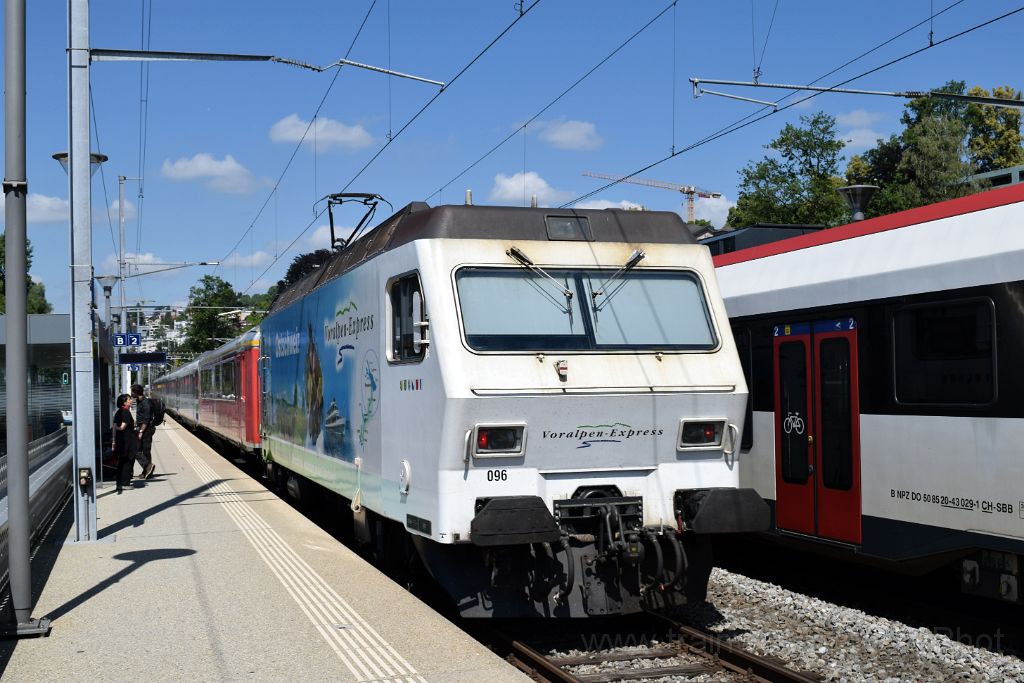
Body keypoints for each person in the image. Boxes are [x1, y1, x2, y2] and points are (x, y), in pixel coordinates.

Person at [112, 394, 139, 494]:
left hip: (120, 440)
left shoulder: (118, 412)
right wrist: (118, 428)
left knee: (121, 462)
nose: (131, 400)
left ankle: (119, 483)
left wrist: (114, 441)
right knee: (128, 461)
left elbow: (114, 426)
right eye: (129, 399)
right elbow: (122, 427)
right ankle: (125, 483)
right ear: (124, 402)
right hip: (128, 441)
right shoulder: (126, 412)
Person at [131, 383, 157, 480]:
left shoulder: (146, 403)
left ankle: (147, 469)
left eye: (132, 391)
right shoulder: (139, 400)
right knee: (140, 450)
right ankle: (147, 469)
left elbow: (146, 419)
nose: (131, 393)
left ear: (136, 392)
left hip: (147, 429)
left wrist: (141, 431)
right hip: (141, 427)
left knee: (145, 450)